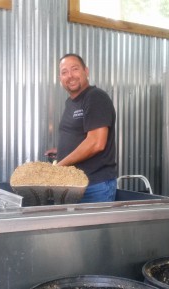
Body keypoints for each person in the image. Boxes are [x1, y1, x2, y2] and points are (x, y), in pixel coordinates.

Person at [45, 53, 117, 203]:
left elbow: (96, 143)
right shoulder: (70, 103)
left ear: (86, 71)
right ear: (60, 79)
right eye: (64, 72)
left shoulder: (95, 97)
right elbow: (80, 135)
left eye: (75, 69)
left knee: (93, 227)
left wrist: (58, 167)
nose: (70, 75)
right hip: (74, 185)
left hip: (94, 186)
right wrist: (62, 150)